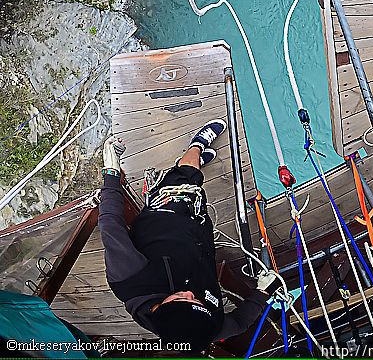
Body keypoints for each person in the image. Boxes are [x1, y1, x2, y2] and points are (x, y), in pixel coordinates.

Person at [98, 120, 277, 356]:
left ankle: (196, 147)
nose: (192, 294)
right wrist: (263, 293)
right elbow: (241, 323)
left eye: (183, 298)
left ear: (159, 307)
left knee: (188, 176)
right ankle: (189, 167)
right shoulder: (204, 328)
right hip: (197, 230)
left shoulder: (130, 279)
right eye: (199, 302)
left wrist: (111, 174)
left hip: (166, 214)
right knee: (193, 185)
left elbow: (111, 225)